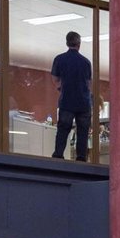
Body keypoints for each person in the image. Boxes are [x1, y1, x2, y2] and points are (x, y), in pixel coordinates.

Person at [50, 31, 92, 161]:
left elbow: (55, 79)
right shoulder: (86, 62)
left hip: (67, 101)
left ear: (67, 43)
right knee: (82, 131)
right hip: (83, 102)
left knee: (63, 129)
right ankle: (81, 158)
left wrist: (61, 88)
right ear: (79, 44)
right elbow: (88, 83)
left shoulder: (59, 59)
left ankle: (58, 155)